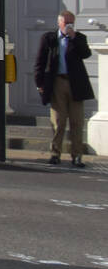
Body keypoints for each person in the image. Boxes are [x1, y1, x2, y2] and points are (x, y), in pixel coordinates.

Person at [35, 10, 93, 168]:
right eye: (66, 22)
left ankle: (77, 156)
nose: (69, 25)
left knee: (76, 121)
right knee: (58, 121)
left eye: (71, 22)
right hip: (57, 82)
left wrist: (73, 37)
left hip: (75, 83)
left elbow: (85, 54)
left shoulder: (79, 38)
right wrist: (39, 83)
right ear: (59, 22)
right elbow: (40, 61)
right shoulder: (50, 38)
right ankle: (55, 154)